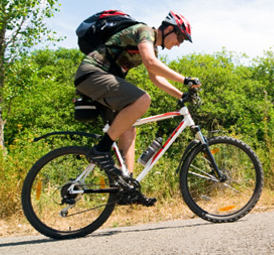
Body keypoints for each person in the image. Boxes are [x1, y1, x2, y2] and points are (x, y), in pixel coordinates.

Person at [73, 11, 201, 206]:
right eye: (180, 37)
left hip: (99, 79)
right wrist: (185, 80)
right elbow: (151, 63)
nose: (179, 43)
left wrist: (180, 95)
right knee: (142, 99)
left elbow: (155, 76)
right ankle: (101, 150)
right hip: (92, 74)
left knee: (128, 130)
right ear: (168, 29)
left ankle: (126, 186)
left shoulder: (151, 46)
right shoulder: (144, 32)